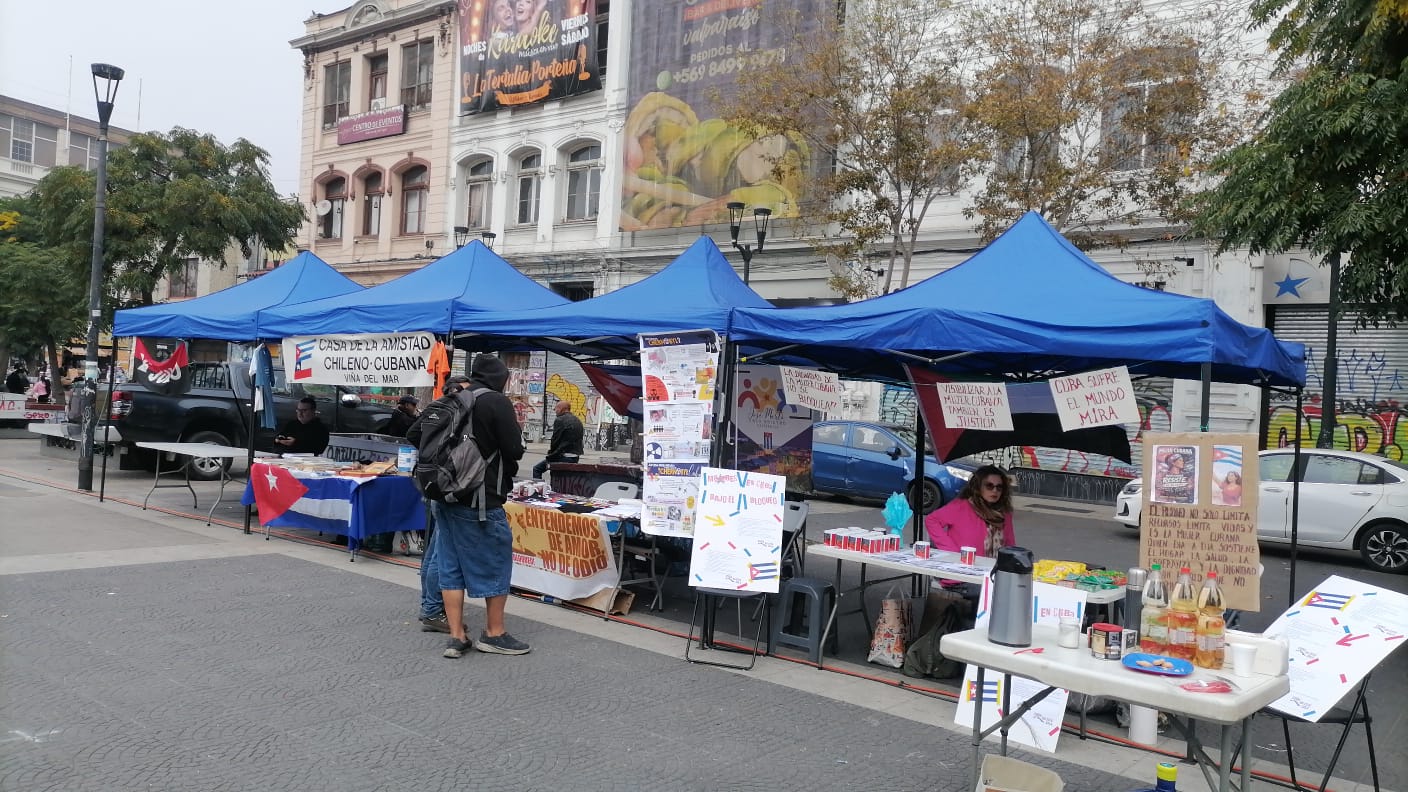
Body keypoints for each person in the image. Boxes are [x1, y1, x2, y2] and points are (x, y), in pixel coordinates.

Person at [409, 356, 528, 659]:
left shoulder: (451, 398)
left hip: (443, 497)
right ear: (502, 379)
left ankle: (456, 635)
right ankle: (494, 633)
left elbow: (414, 433)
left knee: (450, 566)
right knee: (496, 561)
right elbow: (515, 448)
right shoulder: (496, 402)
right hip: (480, 499)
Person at [925, 465, 1016, 558]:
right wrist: (951, 551)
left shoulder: (1004, 512)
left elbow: (1010, 545)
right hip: (964, 567)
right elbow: (931, 520)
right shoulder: (961, 507)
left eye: (999, 487)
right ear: (978, 487)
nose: (995, 490)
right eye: (989, 486)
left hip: (994, 568)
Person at [532, 400, 583, 480]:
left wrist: (551, 455)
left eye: (556, 408)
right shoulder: (577, 420)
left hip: (562, 456)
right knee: (564, 479)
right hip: (575, 457)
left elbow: (555, 440)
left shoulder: (560, 420)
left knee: (537, 469)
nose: (555, 411)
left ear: (561, 408)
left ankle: (539, 490)